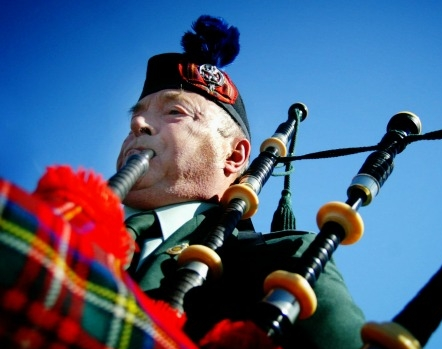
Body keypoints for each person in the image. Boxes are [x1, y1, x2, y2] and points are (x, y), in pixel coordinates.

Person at [118, 15, 365, 349]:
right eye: (137, 113)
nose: (138, 123)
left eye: (175, 111)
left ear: (234, 157)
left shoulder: (285, 262)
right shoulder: (66, 216)